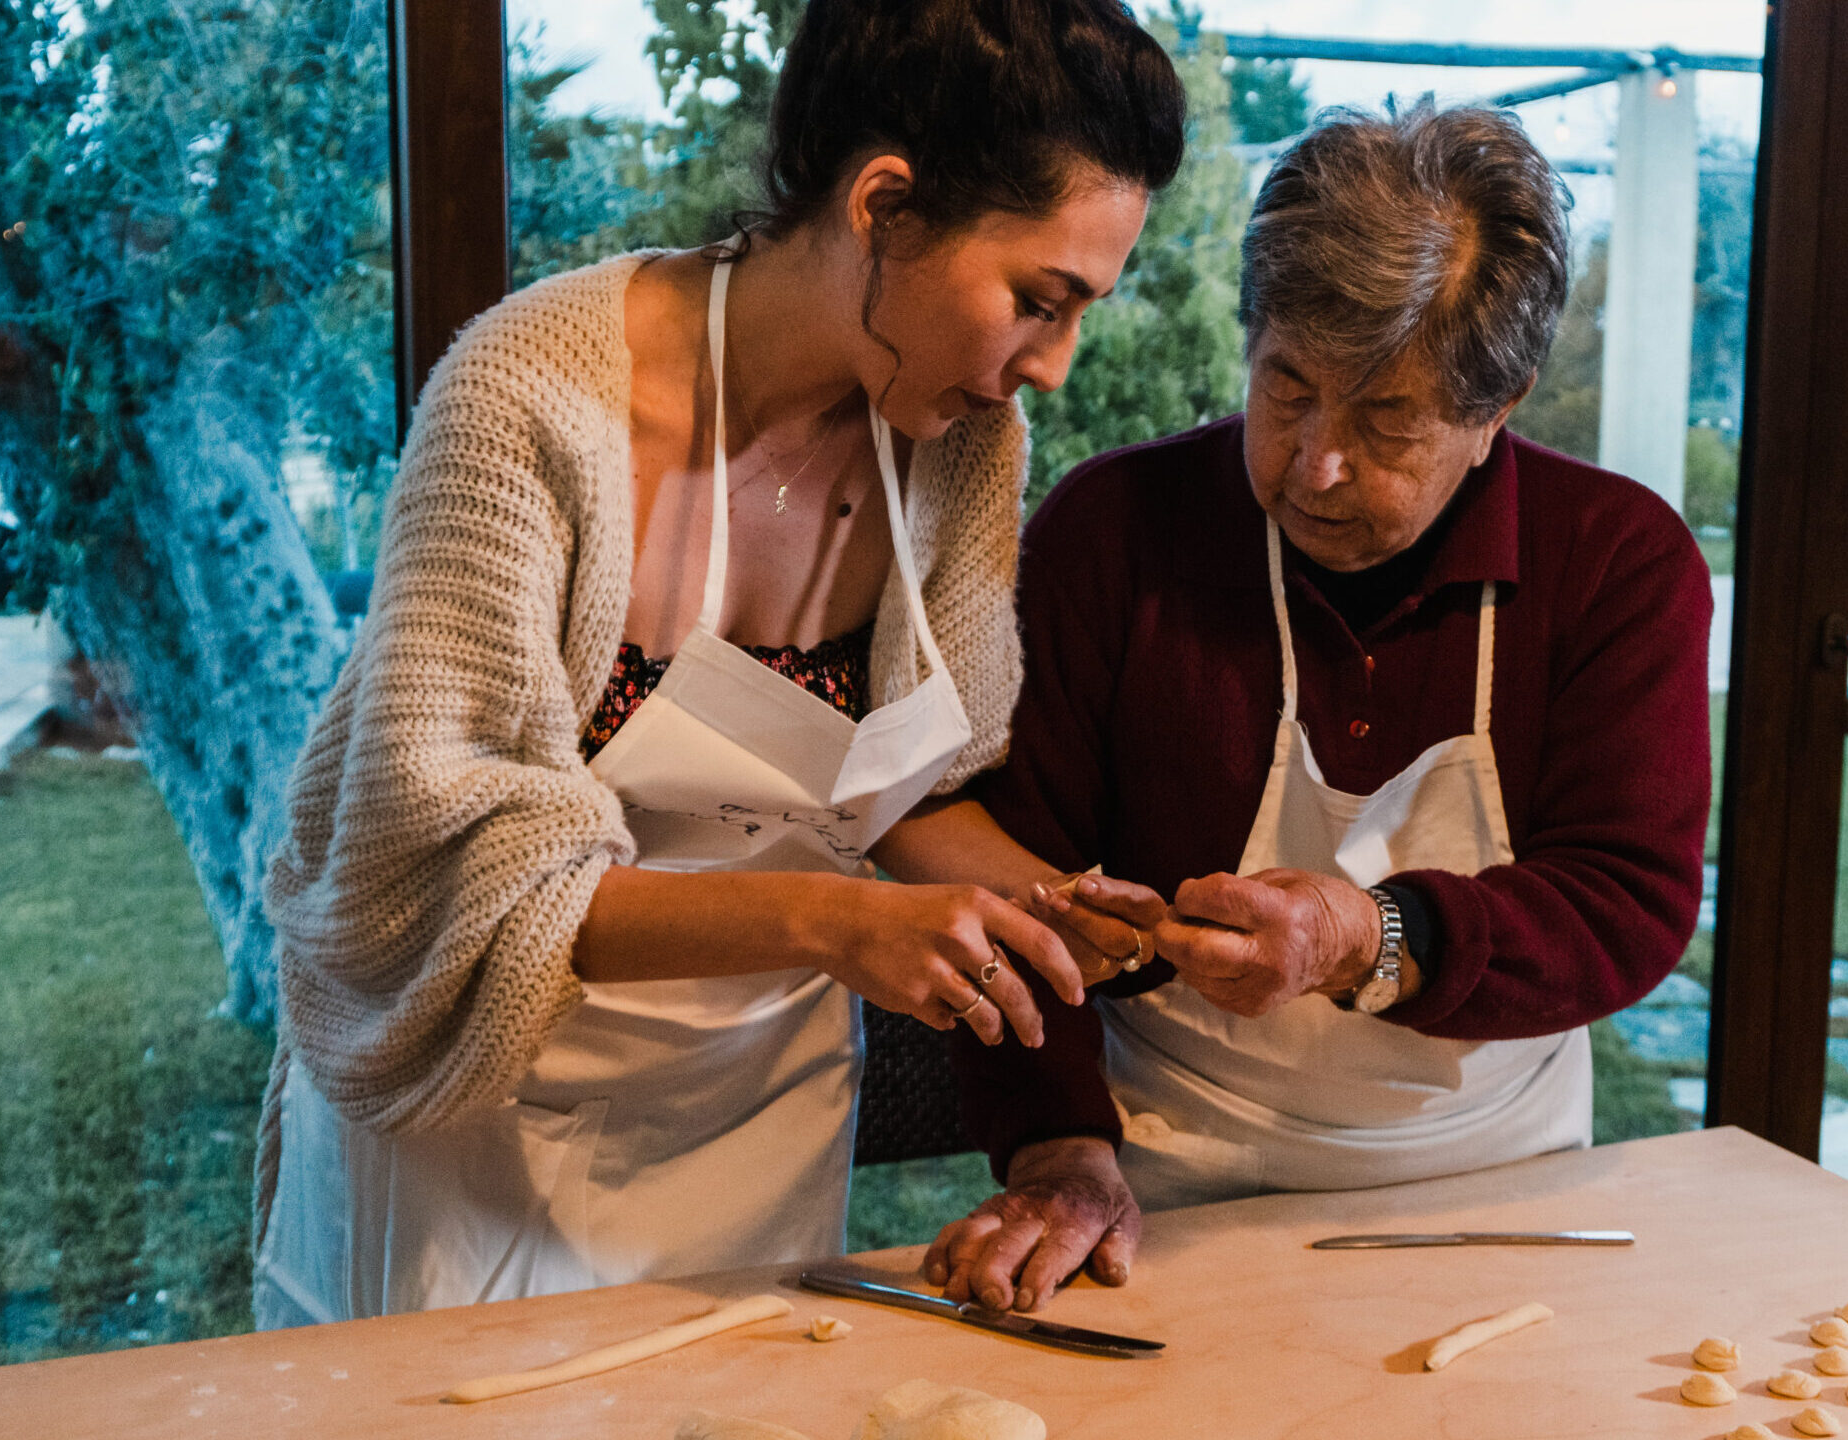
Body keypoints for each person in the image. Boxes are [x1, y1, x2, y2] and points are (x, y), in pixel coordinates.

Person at [252, 0, 1184, 1326]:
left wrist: (1059, 911)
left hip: (760, 1129)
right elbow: (465, 870)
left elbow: (908, 801)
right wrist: (835, 922)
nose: (1053, 364)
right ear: (883, 207)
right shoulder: (534, 402)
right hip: (482, 1130)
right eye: (1038, 300)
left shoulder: (960, 439)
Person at [912, 102, 1715, 1313]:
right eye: (1285, 391)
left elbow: (1627, 902)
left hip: (1501, 1196)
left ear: (1500, 408)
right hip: (1163, 1191)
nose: (1311, 465)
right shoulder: (1116, 533)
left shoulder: (1617, 563)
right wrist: (1058, 1147)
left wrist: (1365, 936)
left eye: (1386, 419)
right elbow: (1007, 887)